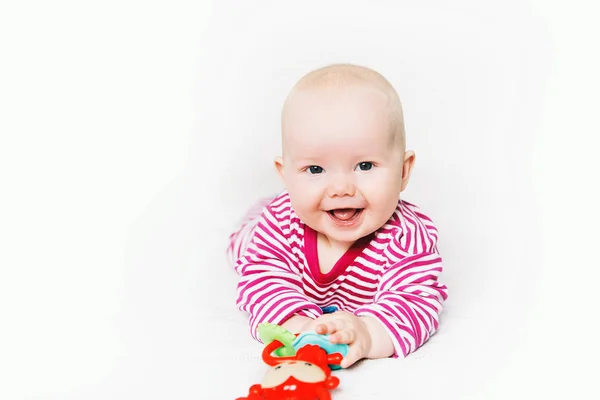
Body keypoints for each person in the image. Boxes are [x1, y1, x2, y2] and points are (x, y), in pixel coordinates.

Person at [227, 64, 448, 368]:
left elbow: (416, 303)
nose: (342, 188)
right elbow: (263, 284)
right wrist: (300, 326)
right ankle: (254, 214)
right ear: (286, 176)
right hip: (258, 233)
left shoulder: (407, 237)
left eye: (365, 166)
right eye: (315, 170)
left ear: (403, 171)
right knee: (244, 249)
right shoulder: (278, 224)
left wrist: (367, 334)